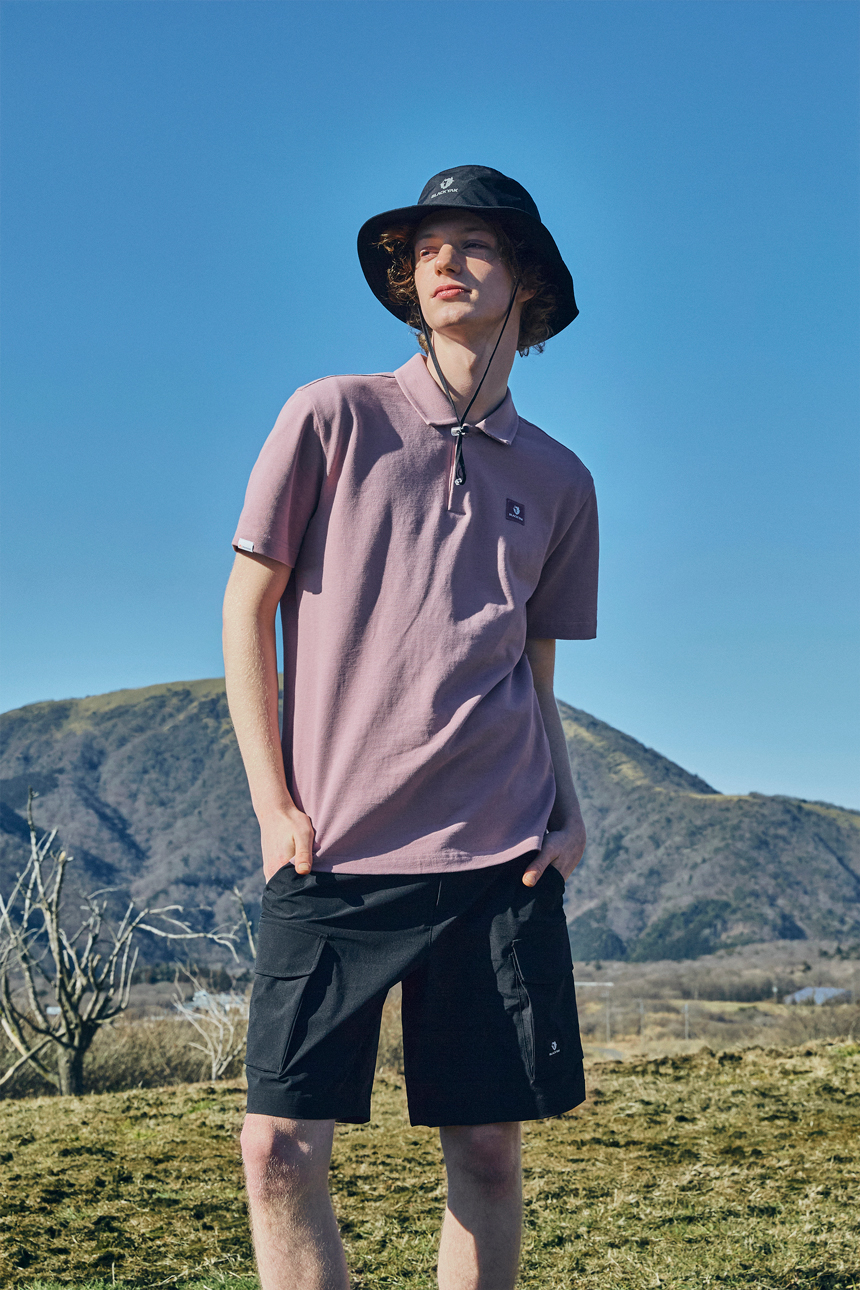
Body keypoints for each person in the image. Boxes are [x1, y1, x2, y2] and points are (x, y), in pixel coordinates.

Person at [223, 164, 598, 1290]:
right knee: (277, 1150)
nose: (442, 259)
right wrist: (273, 805)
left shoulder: (562, 480)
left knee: (485, 1151)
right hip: (330, 852)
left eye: (473, 243)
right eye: (426, 246)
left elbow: (533, 668)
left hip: (497, 858)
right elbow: (246, 608)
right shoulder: (331, 415)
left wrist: (569, 812)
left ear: (527, 282)